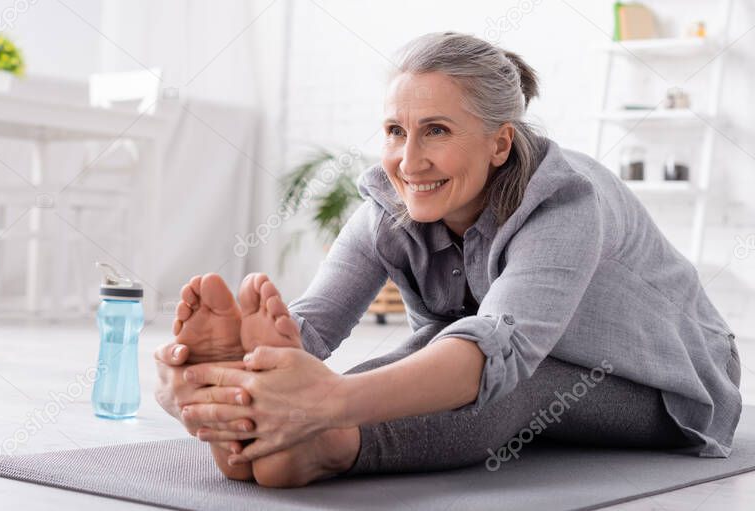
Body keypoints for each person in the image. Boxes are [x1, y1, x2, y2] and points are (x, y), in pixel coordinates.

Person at [153, 32, 742, 488]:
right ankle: (256, 433)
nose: (409, 161)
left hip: (665, 385)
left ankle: (329, 446)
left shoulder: (567, 200)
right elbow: (309, 327)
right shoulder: (389, 207)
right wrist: (219, 384)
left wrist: (327, 404)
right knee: (420, 355)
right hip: (497, 353)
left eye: (435, 131)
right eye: (394, 131)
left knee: (505, 371)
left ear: (500, 143)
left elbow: (498, 350)